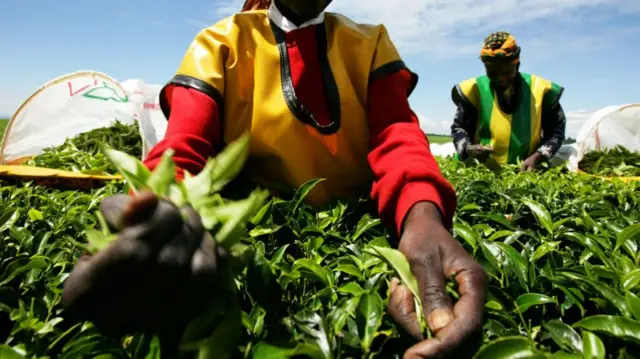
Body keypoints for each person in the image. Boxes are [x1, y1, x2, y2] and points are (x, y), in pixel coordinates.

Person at [61, 0, 488, 357]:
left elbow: (397, 133)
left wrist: (423, 217)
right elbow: (184, 146)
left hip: (360, 222)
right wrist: (157, 209)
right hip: (266, 228)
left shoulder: (370, 43)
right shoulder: (221, 44)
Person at [450, 31, 567, 172]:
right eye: (491, 72)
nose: (499, 78)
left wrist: (538, 156)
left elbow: (556, 130)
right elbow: (459, 129)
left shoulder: (541, 90)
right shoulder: (474, 89)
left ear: (517, 66)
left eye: (506, 72)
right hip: (479, 170)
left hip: (525, 171)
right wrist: (468, 148)